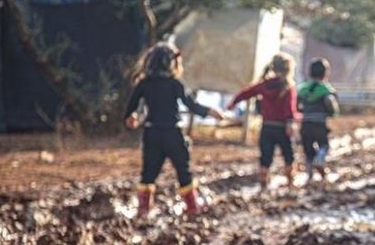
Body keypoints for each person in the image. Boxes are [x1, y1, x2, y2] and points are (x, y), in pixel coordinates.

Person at [124, 42, 224, 217]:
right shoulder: (175, 84)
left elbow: (130, 109)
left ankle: (143, 210)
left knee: (148, 172)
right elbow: (191, 104)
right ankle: (192, 207)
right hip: (173, 133)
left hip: (152, 133)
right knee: (183, 170)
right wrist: (210, 112)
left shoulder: (144, 84)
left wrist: (131, 118)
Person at [228, 53, 298, 189]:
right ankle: (290, 183)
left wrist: (233, 103)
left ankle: (263, 186)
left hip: (267, 127)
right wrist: (290, 123)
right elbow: (289, 108)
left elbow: (246, 93)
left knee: (265, 158)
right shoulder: (288, 86)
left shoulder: (264, 85)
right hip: (282, 128)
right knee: (288, 156)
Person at [296, 58, 340, 183]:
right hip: (320, 124)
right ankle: (320, 160)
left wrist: (302, 111)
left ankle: (309, 175)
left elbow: (296, 105)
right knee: (324, 145)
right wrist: (332, 113)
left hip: (305, 124)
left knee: (308, 151)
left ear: (310, 72)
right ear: (325, 73)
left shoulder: (302, 89)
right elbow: (331, 105)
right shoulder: (326, 90)